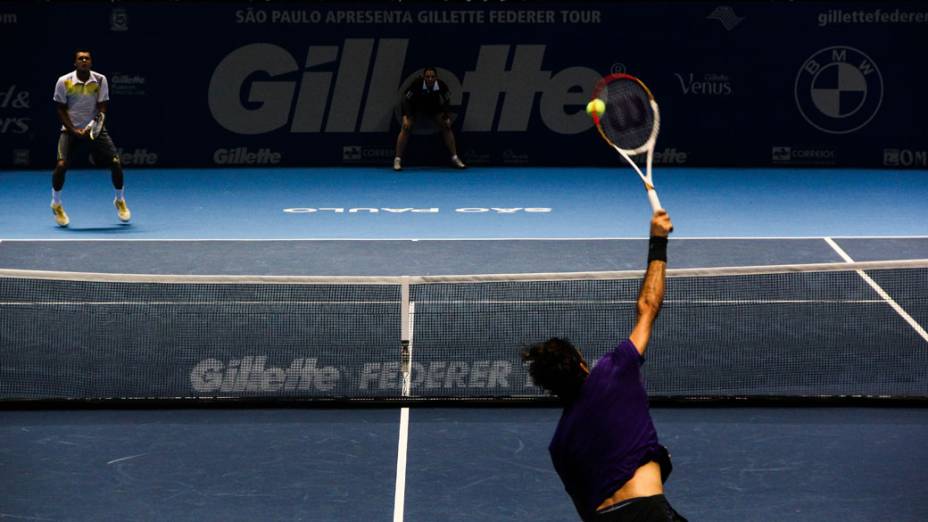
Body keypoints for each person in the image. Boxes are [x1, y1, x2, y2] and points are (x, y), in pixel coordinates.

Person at [522, 210, 686, 522]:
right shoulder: (615, 371)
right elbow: (649, 307)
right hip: (650, 513)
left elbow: (586, 510)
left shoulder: (559, 446)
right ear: (582, 363)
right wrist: (658, 241)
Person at [51, 49, 131, 227]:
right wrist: (73, 129)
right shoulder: (63, 81)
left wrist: (92, 127)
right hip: (70, 130)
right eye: (80, 58)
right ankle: (56, 203)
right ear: (75, 63)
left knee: (116, 163)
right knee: (61, 165)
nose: (84, 61)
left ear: (91, 62)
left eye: (87, 58)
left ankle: (120, 200)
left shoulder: (100, 80)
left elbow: (102, 108)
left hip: (95, 129)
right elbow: (60, 109)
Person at [393, 67, 466, 171]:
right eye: (428, 76)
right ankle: (397, 159)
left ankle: (455, 158)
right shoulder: (416, 84)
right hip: (415, 109)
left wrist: (446, 117)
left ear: (436, 77)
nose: (430, 79)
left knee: (447, 126)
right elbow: (406, 101)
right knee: (405, 127)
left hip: (434, 109)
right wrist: (405, 117)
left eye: (432, 77)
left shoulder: (441, 85)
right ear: (424, 77)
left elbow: (446, 102)